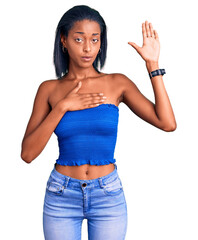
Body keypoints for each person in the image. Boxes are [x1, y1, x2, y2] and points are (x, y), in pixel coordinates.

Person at [20, 5, 176, 240]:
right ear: (64, 40)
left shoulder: (117, 83)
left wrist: (153, 66)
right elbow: (28, 154)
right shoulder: (49, 89)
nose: (87, 48)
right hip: (61, 195)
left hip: (107, 195)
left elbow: (167, 123)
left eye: (94, 39)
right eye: (78, 39)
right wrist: (63, 106)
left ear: (101, 42)